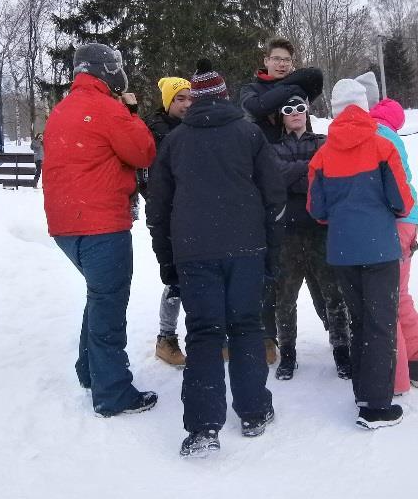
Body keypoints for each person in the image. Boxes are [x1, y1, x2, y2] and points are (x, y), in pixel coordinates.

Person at [146, 60, 285, 457]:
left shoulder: (175, 142)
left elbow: (158, 209)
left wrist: (167, 260)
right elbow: (274, 199)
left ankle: (204, 428)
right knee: (245, 328)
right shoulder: (249, 134)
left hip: (195, 252)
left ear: (197, 101)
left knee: (205, 334)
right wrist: (271, 254)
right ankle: (254, 411)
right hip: (246, 249)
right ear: (224, 96)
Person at [42, 42, 158, 418]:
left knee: (98, 295)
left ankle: (89, 369)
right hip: (101, 222)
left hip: (65, 225)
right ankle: (112, 392)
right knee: (109, 303)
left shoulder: (61, 109)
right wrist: (132, 111)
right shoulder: (107, 108)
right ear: (106, 71)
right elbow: (143, 151)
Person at [308, 79, 413, 429]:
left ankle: (363, 393)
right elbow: (402, 200)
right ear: (365, 106)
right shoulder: (382, 145)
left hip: (342, 251)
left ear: (336, 111)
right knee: (381, 323)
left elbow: (317, 209)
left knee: (359, 322)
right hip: (380, 248)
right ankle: (377, 406)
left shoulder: (322, 154)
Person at [239, 37, 323, 363]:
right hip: (263, 182)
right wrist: (290, 88)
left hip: (300, 184)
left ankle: (337, 331)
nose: (282, 64)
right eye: (276, 59)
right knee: (271, 268)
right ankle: (269, 337)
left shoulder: (295, 85)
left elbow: (315, 75)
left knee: (317, 269)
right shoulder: (251, 88)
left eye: (287, 60)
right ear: (266, 60)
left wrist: (287, 87)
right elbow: (254, 108)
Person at [357, 71, 418, 394]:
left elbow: (385, 187)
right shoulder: (385, 129)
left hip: (393, 221)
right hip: (405, 220)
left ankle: (396, 378)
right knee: (398, 294)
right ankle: (417, 361)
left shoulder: (376, 133)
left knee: (386, 299)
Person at [270, 94, 351, 381]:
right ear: (281, 115)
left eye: (300, 108)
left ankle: (342, 350)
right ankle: (288, 354)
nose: (295, 113)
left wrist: (295, 176)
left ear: (307, 112)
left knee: (333, 294)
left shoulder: (323, 142)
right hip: (287, 234)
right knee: (285, 298)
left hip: (321, 230)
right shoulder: (273, 147)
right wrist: (309, 170)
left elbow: (328, 176)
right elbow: (274, 179)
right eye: (288, 109)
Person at [137, 76, 193, 367]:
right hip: (167, 216)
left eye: (189, 98)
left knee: (199, 273)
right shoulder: (155, 130)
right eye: (179, 99)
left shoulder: (196, 127)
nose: (186, 104)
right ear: (168, 102)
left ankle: (207, 334)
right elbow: (148, 178)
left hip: (194, 213)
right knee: (174, 277)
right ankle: (166, 337)